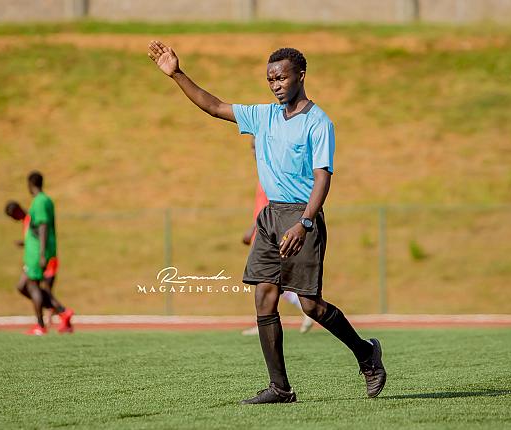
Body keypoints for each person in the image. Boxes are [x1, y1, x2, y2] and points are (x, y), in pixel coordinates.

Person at [148, 41, 386, 404]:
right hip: (270, 216)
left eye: (281, 77)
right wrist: (177, 74)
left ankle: (366, 354)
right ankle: (280, 388)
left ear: (301, 76)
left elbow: (322, 177)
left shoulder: (318, 122)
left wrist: (305, 223)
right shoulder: (264, 115)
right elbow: (214, 106)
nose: (275, 84)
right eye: (270, 79)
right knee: (264, 296)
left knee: (310, 305)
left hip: (302, 217)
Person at [242, 138, 313, 336]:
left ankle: (307, 309)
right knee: (269, 281)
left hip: (270, 233)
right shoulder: (265, 170)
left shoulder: (273, 172)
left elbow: (273, 205)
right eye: (251, 148)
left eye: (256, 147)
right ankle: (272, 320)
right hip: (264, 230)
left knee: (268, 280)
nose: (253, 151)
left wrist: (253, 229)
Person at [5, 171, 74, 335]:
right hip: (34, 252)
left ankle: (42, 325)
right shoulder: (43, 201)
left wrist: (42, 253)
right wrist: (26, 243)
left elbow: (43, 226)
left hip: (37, 254)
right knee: (24, 286)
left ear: (30, 184)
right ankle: (62, 312)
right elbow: (37, 230)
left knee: (32, 286)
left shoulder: (40, 202)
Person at [4, 200, 60, 327]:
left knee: (34, 288)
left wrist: (42, 256)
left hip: (41, 259)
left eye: (13, 216)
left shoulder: (32, 218)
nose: (14, 219)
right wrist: (25, 244)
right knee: (28, 288)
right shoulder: (26, 221)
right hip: (35, 259)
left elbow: (42, 236)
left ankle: (53, 315)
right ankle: (55, 312)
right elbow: (35, 239)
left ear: (17, 211)